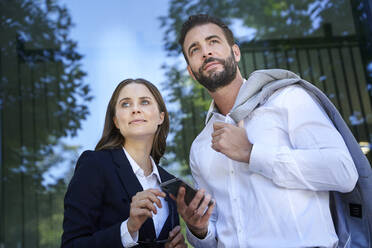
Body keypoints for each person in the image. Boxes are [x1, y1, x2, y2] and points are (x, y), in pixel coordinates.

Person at [174, 14, 359, 247]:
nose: (206, 52)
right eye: (195, 49)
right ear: (191, 72)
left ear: (236, 53)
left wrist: (252, 153)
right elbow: (216, 237)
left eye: (213, 42)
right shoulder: (200, 148)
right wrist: (199, 230)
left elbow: (344, 172)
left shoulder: (289, 100)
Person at [61, 79, 187, 248]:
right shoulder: (95, 165)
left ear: (160, 117)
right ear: (116, 121)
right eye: (126, 104)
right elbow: (71, 245)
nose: (136, 109)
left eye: (144, 102)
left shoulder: (170, 182)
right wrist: (128, 229)